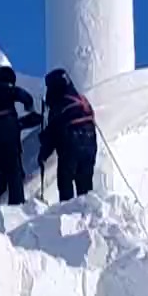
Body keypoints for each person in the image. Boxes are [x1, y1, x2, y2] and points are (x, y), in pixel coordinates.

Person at [0, 65, 38, 206]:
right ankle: (17, 207)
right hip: (6, 138)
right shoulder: (0, 88)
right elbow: (23, 96)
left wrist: (29, 121)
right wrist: (31, 107)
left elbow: (10, 123)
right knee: (14, 172)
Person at [37, 68, 99, 201]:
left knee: (65, 180)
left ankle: (66, 214)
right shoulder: (81, 100)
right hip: (90, 143)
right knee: (85, 184)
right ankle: (87, 213)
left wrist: (43, 154)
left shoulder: (59, 104)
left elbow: (54, 133)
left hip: (71, 144)